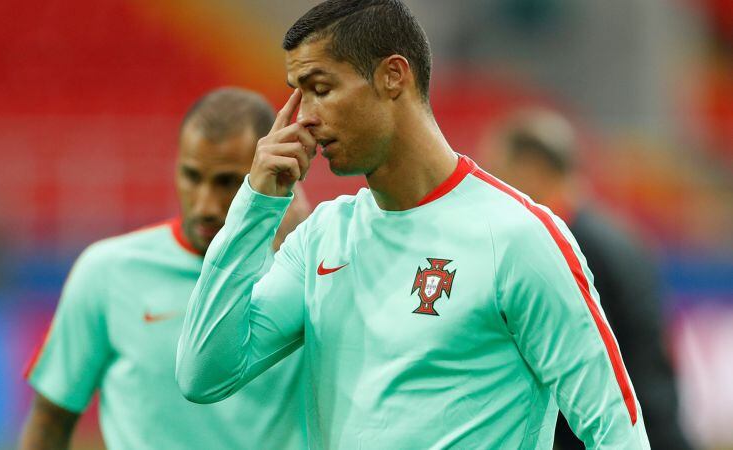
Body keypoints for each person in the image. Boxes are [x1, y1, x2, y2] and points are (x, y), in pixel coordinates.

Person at [176, 1, 650, 448]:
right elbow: (204, 374)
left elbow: (613, 426)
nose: (305, 120)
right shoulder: (323, 237)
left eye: (320, 89)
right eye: (297, 96)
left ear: (392, 76)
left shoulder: (515, 236)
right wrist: (255, 206)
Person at [19, 88, 309, 450]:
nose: (205, 204)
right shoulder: (107, 271)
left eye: (227, 182)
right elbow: (49, 423)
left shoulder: (297, 271)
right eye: (192, 176)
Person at [482, 109, 690, 450]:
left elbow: (577, 367)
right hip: (654, 423)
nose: (493, 187)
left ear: (531, 170)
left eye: (500, 172)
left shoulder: (565, 247)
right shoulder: (619, 235)